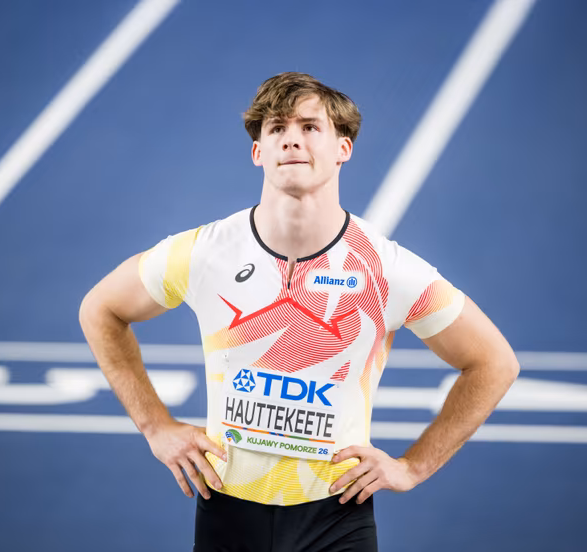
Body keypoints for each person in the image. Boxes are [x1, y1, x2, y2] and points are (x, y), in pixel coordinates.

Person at [79, 72, 520, 551]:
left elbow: (494, 363)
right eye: (276, 129)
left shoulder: (384, 269)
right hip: (226, 510)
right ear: (258, 153)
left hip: (336, 516)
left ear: (343, 149)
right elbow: (100, 308)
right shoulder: (205, 253)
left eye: (310, 127)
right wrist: (155, 427)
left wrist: (413, 466)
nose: (292, 139)